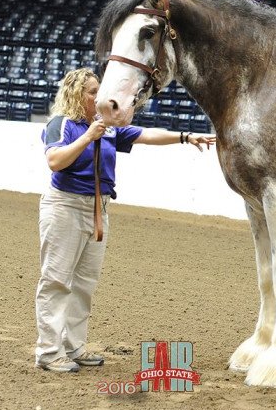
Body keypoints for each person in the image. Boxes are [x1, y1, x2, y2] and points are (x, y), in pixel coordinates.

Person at [36, 68, 215, 372]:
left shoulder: (106, 127)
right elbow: (55, 161)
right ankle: (49, 352)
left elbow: (146, 135)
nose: (99, 96)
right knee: (56, 281)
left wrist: (185, 136)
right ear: (78, 94)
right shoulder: (62, 124)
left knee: (83, 284)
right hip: (66, 206)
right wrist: (88, 137)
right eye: (93, 91)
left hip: (98, 209)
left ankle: (75, 347)